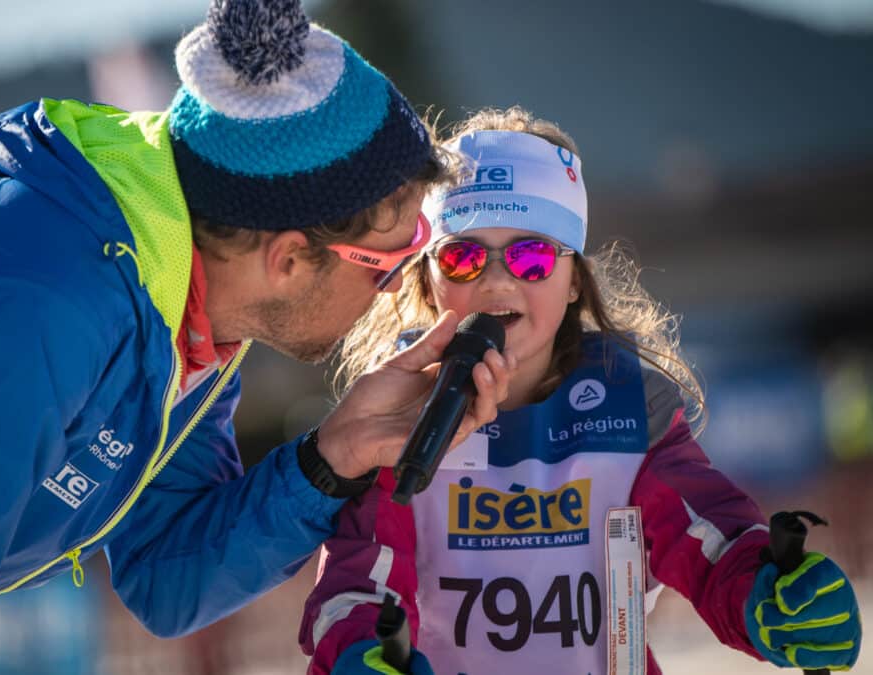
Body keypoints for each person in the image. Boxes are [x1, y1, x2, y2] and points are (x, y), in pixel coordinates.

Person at [0, 1, 512, 672]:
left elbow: (165, 579)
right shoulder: (52, 304)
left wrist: (333, 455)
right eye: (390, 261)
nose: (397, 287)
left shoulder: (179, 315)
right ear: (288, 258)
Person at [299, 107, 862, 674]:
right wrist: (361, 653)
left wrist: (765, 592)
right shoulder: (393, 420)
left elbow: (709, 537)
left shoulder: (626, 409)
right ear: (427, 278)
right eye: (464, 257)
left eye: (532, 256)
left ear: (574, 282)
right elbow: (359, 582)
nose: (497, 280)